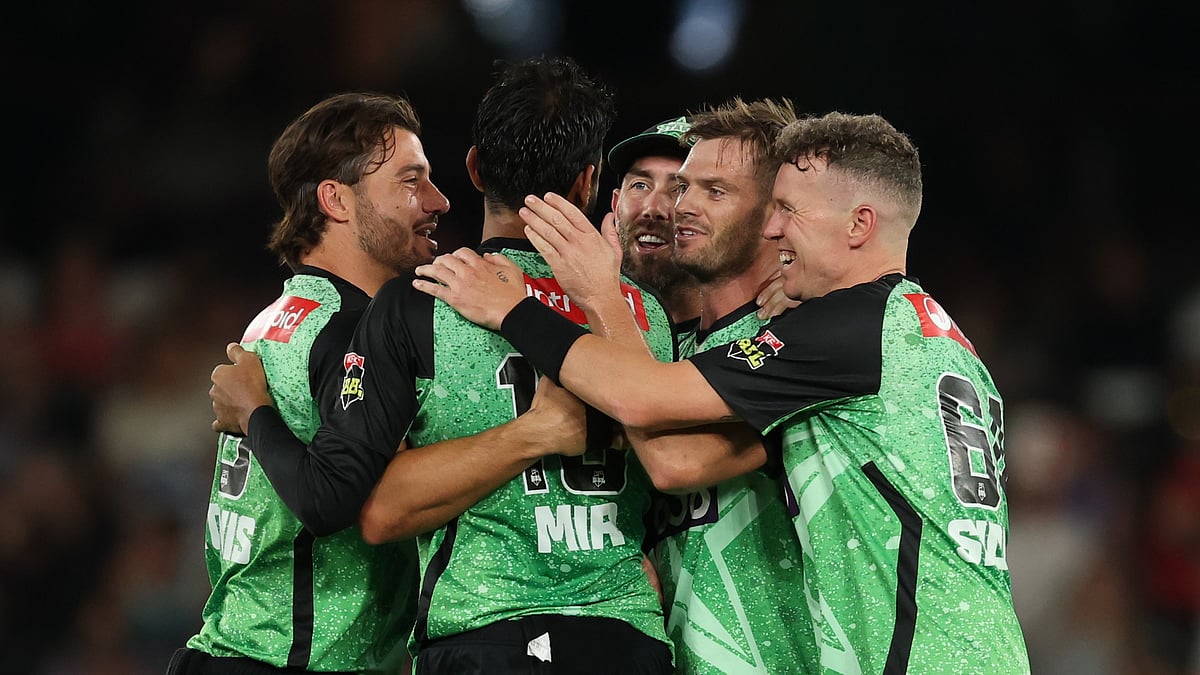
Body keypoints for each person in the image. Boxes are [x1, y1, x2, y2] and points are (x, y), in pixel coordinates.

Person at [414, 111, 1033, 674]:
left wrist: (532, 308)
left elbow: (666, 444)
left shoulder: (836, 331)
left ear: (859, 224)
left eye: (786, 209)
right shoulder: (915, 329)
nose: (775, 228)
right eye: (677, 185)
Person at [211, 56, 676, 674]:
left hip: (482, 638)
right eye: (411, 181)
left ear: (477, 167)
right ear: (590, 182)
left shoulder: (417, 304)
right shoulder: (646, 316)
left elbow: (375, 511)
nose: (436, 200)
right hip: (630, 637)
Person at [171, 92, 449, 675]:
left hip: (234, 646)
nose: (436, 201)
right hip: (289, 660)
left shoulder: (276, 317)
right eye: (409, 181)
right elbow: (333, 498)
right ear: (335, 199)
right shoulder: (354, 331)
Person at [606, 115, 701, 326]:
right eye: (640, 185)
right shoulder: (574, 316)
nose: (652, 209)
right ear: (615, 204)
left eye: (679, 189)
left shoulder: (763, 331)